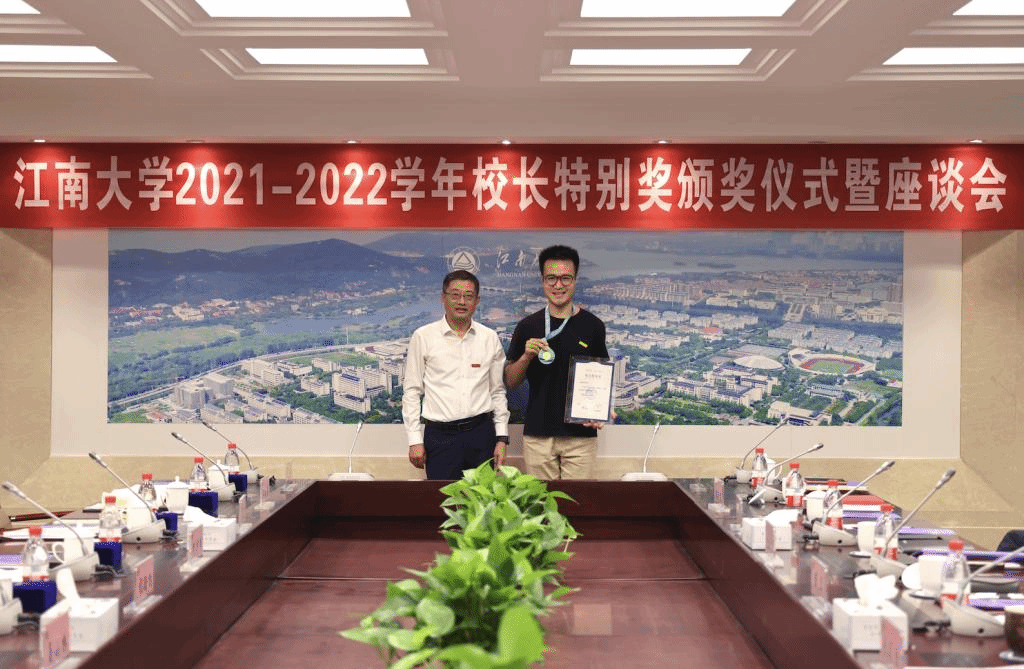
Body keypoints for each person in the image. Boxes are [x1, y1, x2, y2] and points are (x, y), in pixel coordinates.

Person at [505, 245, 609, 479]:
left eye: (565, 278)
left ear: (575, 280)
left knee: (577, 500)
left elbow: (601, 378)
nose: (558, 285)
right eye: (551, 278)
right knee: (541, 501)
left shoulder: (593, 326)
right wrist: (526, 357)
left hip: (580, 437)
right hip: (538, 437)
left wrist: (601, 410)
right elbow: (511, 381)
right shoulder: (527, 326)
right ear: (543, 280)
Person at [402, 270, 510, 480]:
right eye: (455, 295)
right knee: (443, 498)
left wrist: (501, 438)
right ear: (443, 298)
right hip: (440, 437)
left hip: (481, 435)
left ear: (477, 300)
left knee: (482, 498)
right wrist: (414, 439)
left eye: (468, 296)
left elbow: (497, 391)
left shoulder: (489, 338)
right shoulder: (423, 336)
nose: (462, 301)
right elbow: (412, 391)